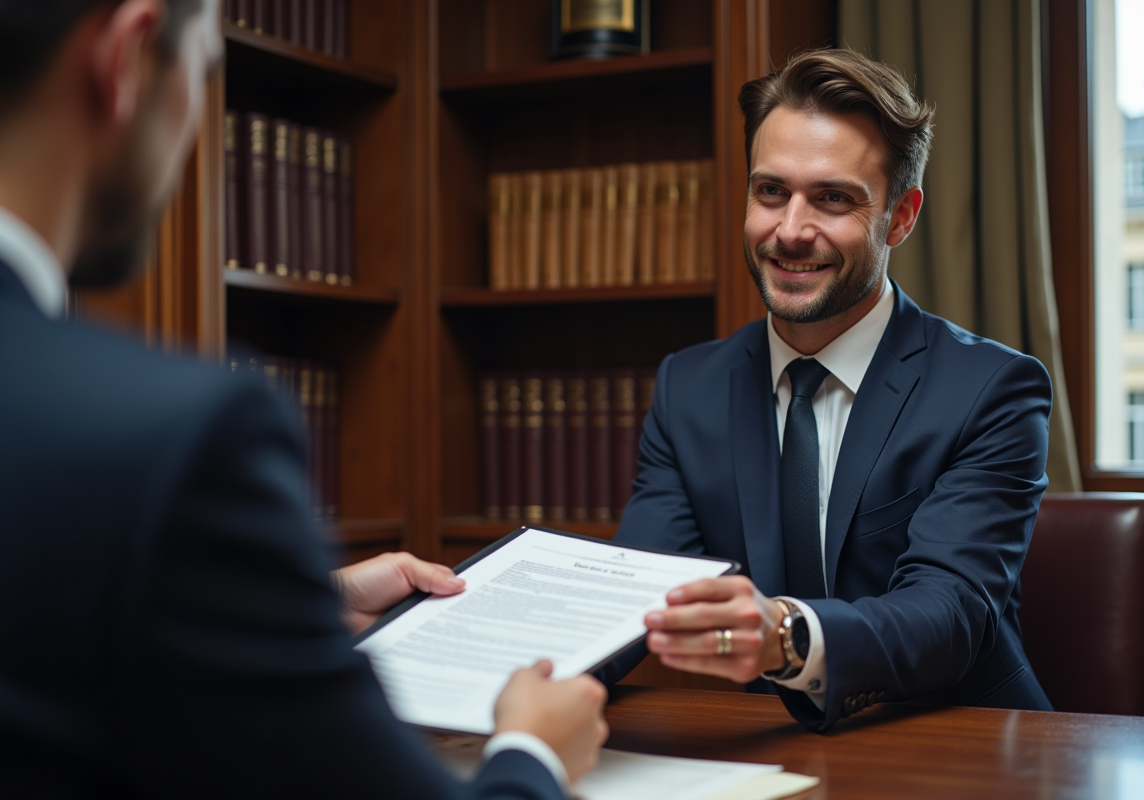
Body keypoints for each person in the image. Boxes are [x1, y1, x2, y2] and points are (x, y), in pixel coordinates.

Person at [0, 1, 606, 797]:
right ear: (126, 57)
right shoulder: (175, 437)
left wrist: (290, 597)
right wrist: (535, 751)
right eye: (204, 73)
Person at [598, 49, 1054, 731]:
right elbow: (634, 593)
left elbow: (949, 613)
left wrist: (785, 634)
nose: (789, 231)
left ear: (900, 218)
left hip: (962, 743)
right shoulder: (687, 386)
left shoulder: (993, 390)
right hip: (771, 748)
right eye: (770, 192)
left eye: (833, 198)